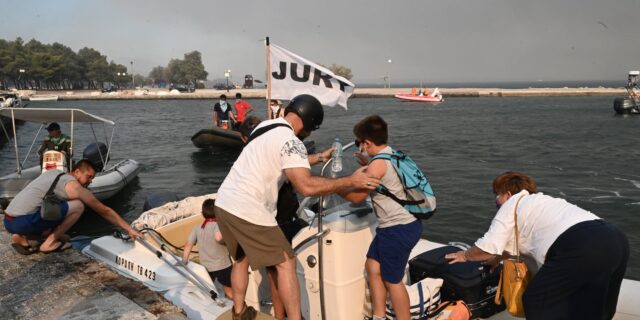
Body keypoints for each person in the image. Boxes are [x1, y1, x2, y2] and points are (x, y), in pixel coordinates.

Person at [214, 94, 380, 320]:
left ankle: (239, 311)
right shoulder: (292, 141)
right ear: (308, 123)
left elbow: (286, 160)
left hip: (224, 203)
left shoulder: (266, 126)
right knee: (286, 262)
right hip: (248, 208)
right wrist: (350, 181)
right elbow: (306, 186)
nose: (309, 134)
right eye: (311, 130)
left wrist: (320, 157)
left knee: (241, 260)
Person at [445, 171, 629, 320]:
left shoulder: (512, 203)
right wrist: (497, 259)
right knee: (595, 309)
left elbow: (486, 248)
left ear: (507, 194)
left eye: (497, 195)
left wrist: (464, 255)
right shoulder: (544, 202)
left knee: (536, 300)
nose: (496, 200)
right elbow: (519, 239)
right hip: (615, 239)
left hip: (582, 244)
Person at [338, 115, 423, 320]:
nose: (359, 147)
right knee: (373, 266)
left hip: (398, 228)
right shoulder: (392, 155)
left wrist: (335, 183)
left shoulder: (377, 165)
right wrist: (368, 163)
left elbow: (357, 197)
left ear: (367, 142)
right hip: (400, 225)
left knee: (393, 280)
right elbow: (386, 177)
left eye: (359, 143)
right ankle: (379, 316)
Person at [3, 160, 141, 254]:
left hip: (9, 221)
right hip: (25, 221)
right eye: (88, 176)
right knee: (78, 206)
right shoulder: (74, 187)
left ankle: (22, 237)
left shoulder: (54, 173)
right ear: (76, 172)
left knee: (64, 232)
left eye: (92, 178)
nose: (90, 181)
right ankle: (49, 243)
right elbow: (104, 210)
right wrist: (129, 229)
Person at [182, 198, 233, 299]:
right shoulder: (218, 225)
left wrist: (184, 260)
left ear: (202, 213)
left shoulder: (197, 227)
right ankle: (237, 307)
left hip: (206, 266)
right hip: (223, 265)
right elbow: (218, 237)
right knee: (229, 289)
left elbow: (188, 244)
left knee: (209, 289)